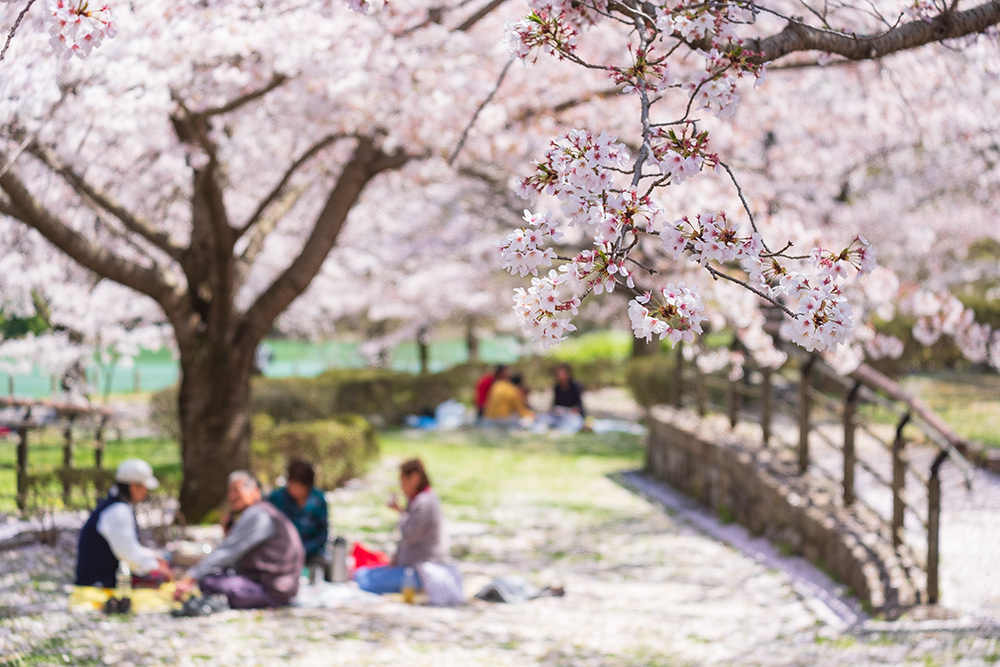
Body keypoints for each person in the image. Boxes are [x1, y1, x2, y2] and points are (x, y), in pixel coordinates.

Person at [174, 471, 305, 610]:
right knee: (214, 575)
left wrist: (191, 578)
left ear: (255, 493)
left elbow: (227, 553)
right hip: (279, 589)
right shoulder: (264, 512)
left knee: (208, 581)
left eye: (237, 491)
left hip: (272, 592)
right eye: (230, 491)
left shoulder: (258, 515)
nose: (231, 496)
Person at [354, 459, 447, 594]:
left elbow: (410, 535)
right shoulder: (417, 500)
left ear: (414, 478)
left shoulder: (425, 502)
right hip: (408, 568)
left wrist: (400, 512)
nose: (401, 486)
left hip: (421, 573)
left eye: (402, 481)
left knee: (365, 582)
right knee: (360, 574)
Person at [76, 459, 173, 588]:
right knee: (161, 580)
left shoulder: (117, 506)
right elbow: (128, 555)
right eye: (144, 487)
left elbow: (129, 547)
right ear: (134, 486)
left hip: (104, 576)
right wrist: (156, 567)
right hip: (100, 580)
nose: (146, 492)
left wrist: (154, 558)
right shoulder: (117, 511)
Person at [268, 460, 330, 579]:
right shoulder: (276, 499)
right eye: (293, 485)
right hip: (282, 554)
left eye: (301, 487)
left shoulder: (318, 500)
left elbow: (322, 535)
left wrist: (303, 550)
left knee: (318, 571)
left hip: (311, 554)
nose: (296, 490)